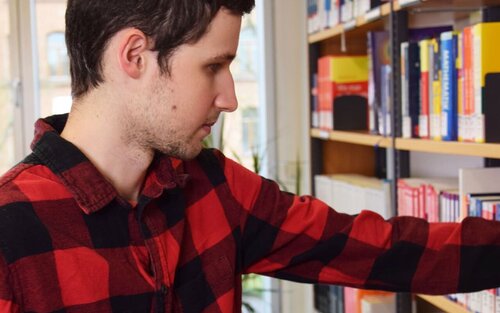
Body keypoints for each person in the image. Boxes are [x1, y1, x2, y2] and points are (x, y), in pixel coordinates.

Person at [1, 0, 499, 312]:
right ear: (133, 56)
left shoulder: (215, 187)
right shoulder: (10, 233)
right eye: (213, 66)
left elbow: (374, 249)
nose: (230, 97)